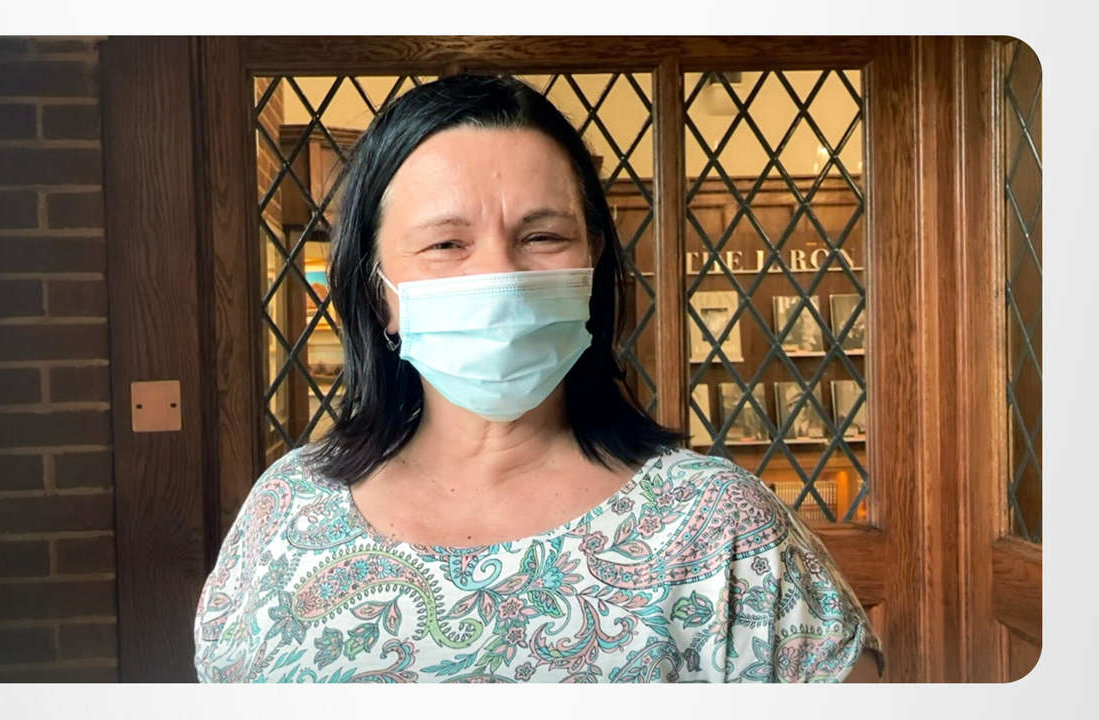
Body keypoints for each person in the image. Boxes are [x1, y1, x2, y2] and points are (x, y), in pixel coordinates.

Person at [193, 73, 884, 683]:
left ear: (593, 265)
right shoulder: (285, 512)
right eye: (445, 243)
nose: (501, 276)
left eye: (542, 237)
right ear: (379, 294)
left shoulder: (722, 529)